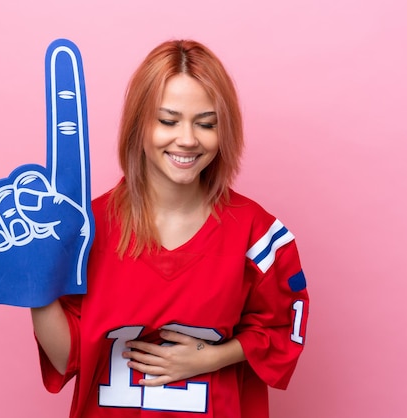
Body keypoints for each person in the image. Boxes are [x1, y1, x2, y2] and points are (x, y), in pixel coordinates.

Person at [31, 39, 309, 418]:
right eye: (168, 120)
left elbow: (279, 330)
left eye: (206, 123)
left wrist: (210, 358)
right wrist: (33, 283)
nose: (188, 139)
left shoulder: (256, 233)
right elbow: (67, 357)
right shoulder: (85, 230)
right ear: (138, 124)